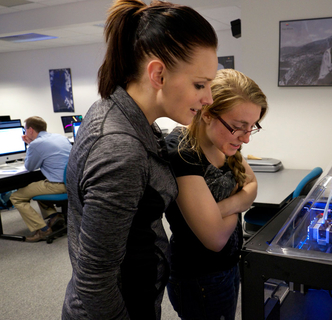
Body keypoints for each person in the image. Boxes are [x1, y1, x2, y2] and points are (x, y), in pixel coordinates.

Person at [61, 1, 218, 319]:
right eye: (200, 85)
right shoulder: (121, 150)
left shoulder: (123, 113)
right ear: (158, 74)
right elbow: (95, 282)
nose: (209, 99)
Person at [165, 68, 268, 320]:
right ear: (208, 114)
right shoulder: (182, 152)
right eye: (238, 127)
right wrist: (238, 201)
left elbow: (252, 186)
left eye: (251, 128)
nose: (245, 139)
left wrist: (219, 210)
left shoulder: (224, 143)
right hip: (199, 277)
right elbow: (215, 238)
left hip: (229, 265)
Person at [10, 116, 71, 242]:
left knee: (16, 197)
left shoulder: (36, 144)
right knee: (36, 187)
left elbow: (29, 166)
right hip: (71, 182)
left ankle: (42, 230)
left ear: (30, 130)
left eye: (25, 130)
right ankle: (54, 216)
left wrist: (30, 145)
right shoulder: (59, 137)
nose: (25, 133)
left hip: (58, 185)